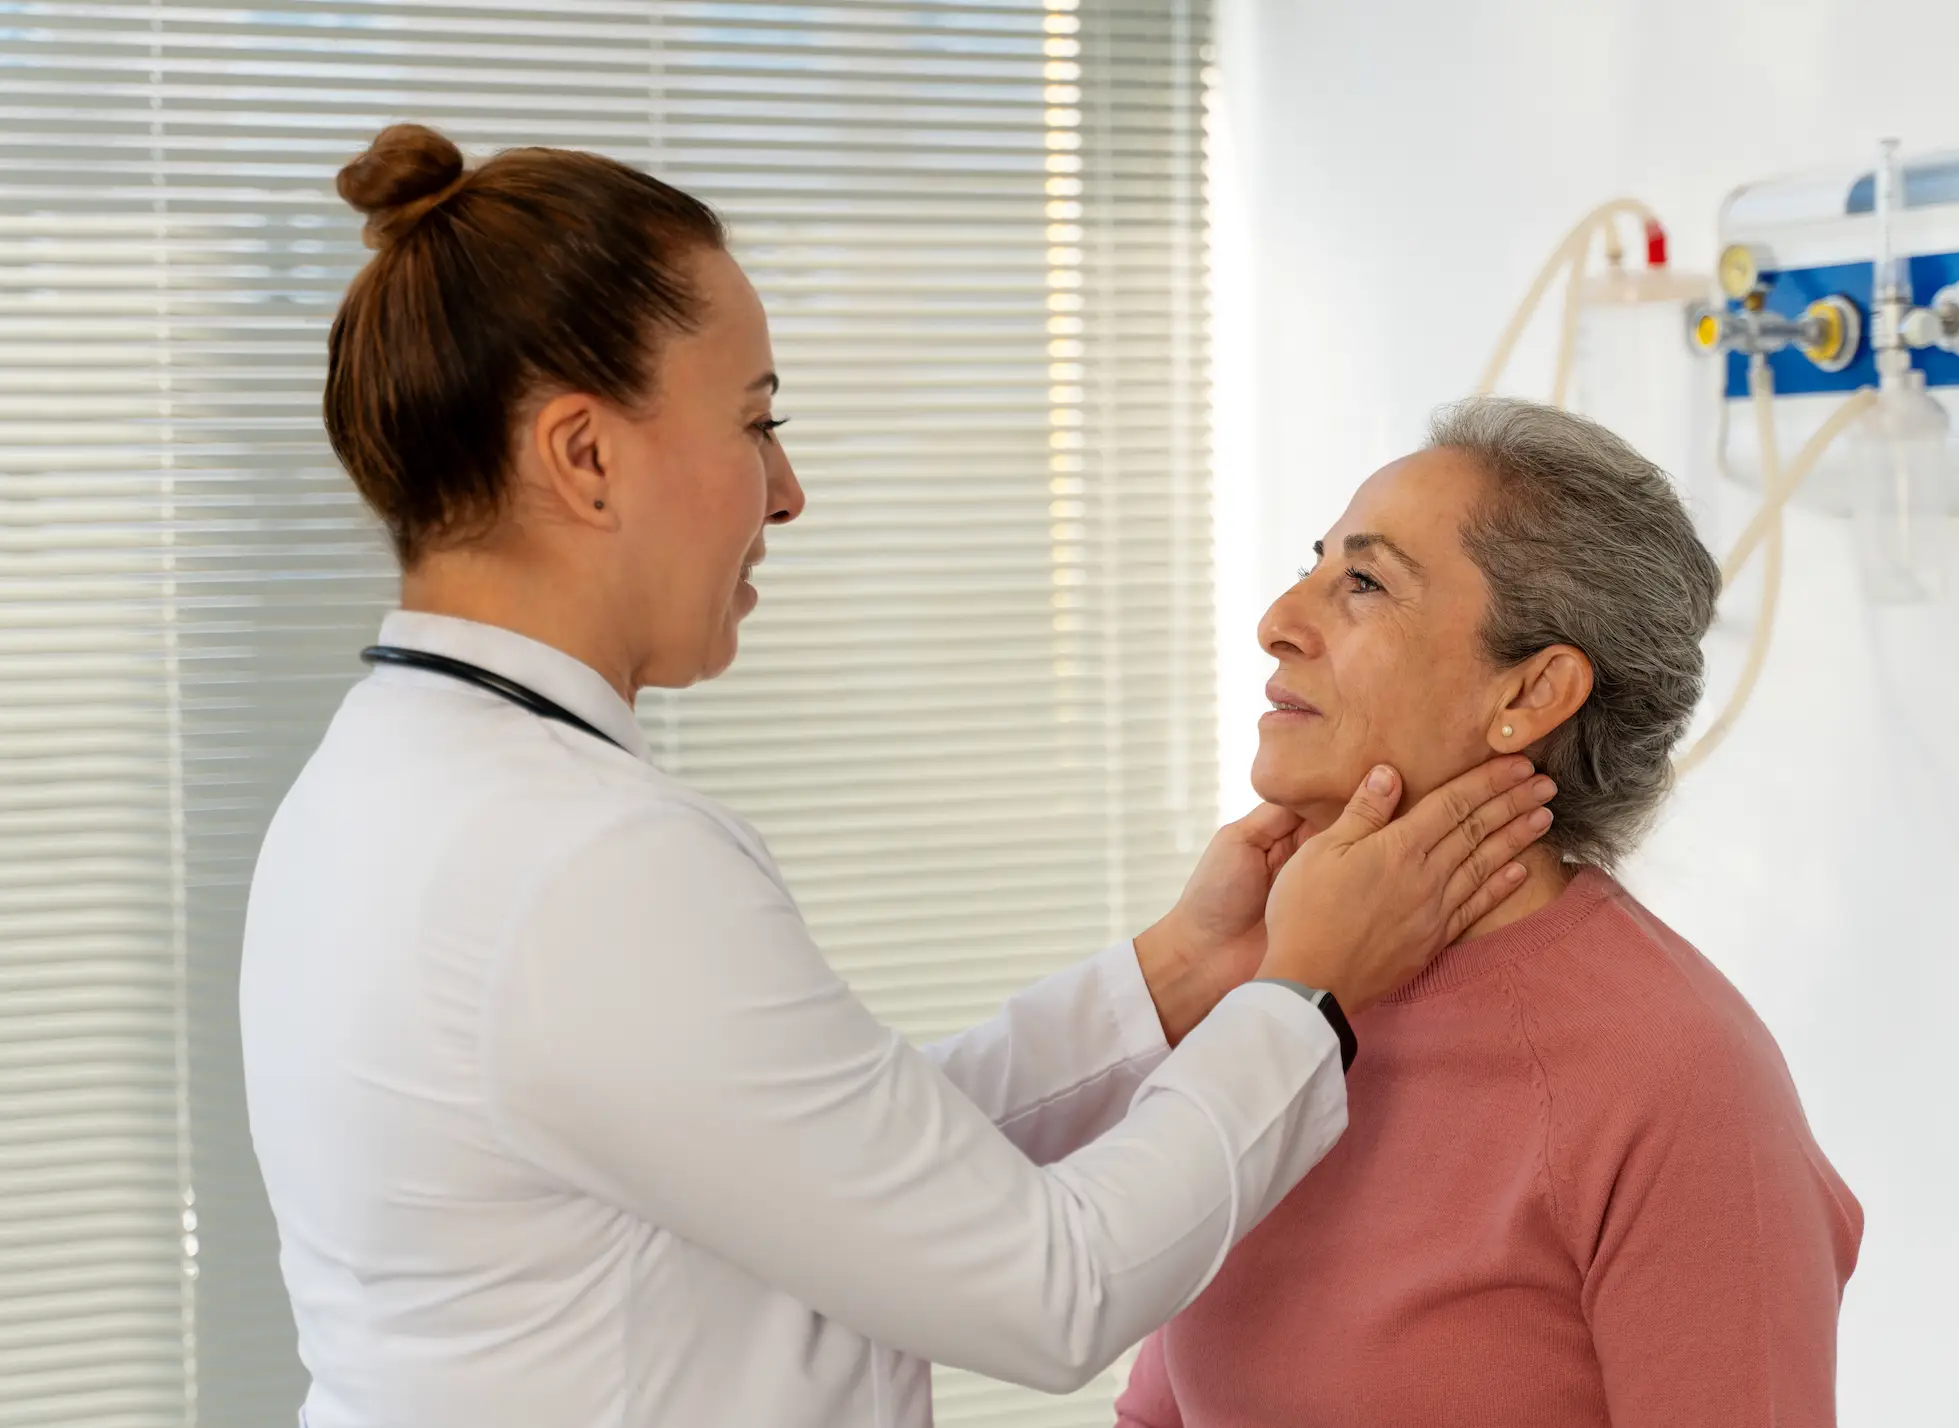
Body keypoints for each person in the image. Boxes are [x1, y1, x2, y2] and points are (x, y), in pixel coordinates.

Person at [236, 126, 1560, 1428]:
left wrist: (1174, 977)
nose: (789, 490)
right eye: (757, 423)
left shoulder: (373, 790)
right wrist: (1301, 995)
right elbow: (1052, 1287)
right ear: (584, 457)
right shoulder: (582, 864)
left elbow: (828, 1159)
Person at [1116, 398, 1864, 1428]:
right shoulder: (1275, 991)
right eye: (1316, 563)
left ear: (1534, 691)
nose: (1280, 620)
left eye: (1364, 583)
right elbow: (1160, 1410)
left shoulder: (1676, 1079)